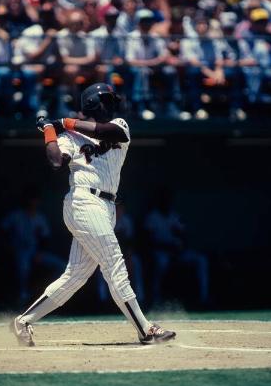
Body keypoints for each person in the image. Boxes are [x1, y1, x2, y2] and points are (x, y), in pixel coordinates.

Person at [11, 82, 175, 347]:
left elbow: (106, 132)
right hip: (83, 202)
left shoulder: (120, 125)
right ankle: (146, 329)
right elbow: (55, 161)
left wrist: (64, 121)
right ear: (91, 103)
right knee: (114, 263)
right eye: (106, 99)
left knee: (75, 275)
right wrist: (51, 131)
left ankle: (24, 321)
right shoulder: (69, 138)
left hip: (107, 207)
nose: (111, 103)